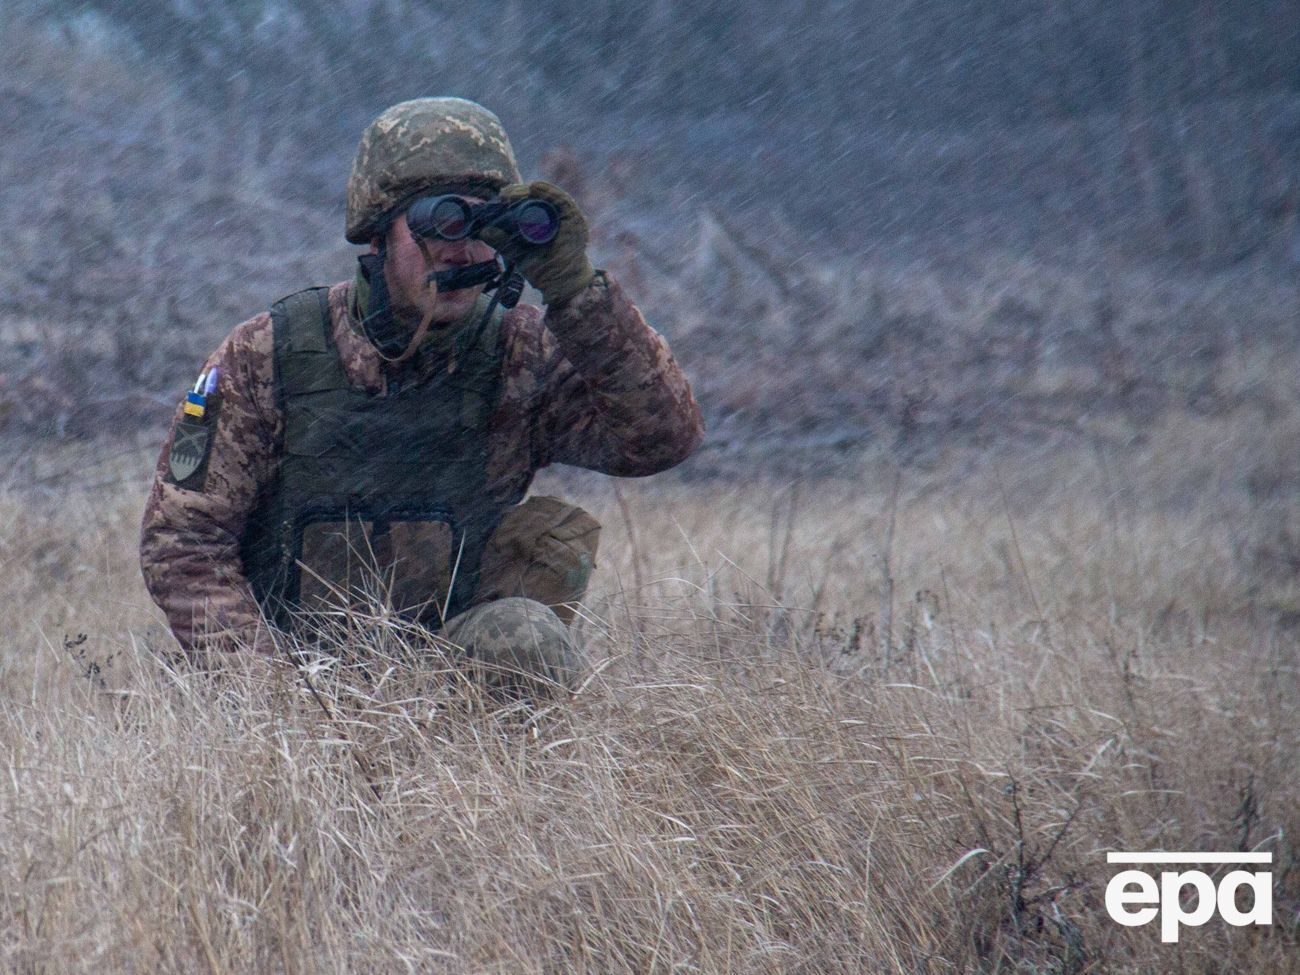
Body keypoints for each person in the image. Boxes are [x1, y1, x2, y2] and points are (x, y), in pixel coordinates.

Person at [139, 97, 702, 694]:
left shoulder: (520, 353)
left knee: (525, 638)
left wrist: (575, 292)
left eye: (485, 226)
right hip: (289, 673)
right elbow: (184, 542)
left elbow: (661, 440)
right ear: (380, 233)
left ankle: (496, 788)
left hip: (451, 676)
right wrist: (272, 695)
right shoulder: (269, 353)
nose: (463, 250)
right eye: (439, 223)